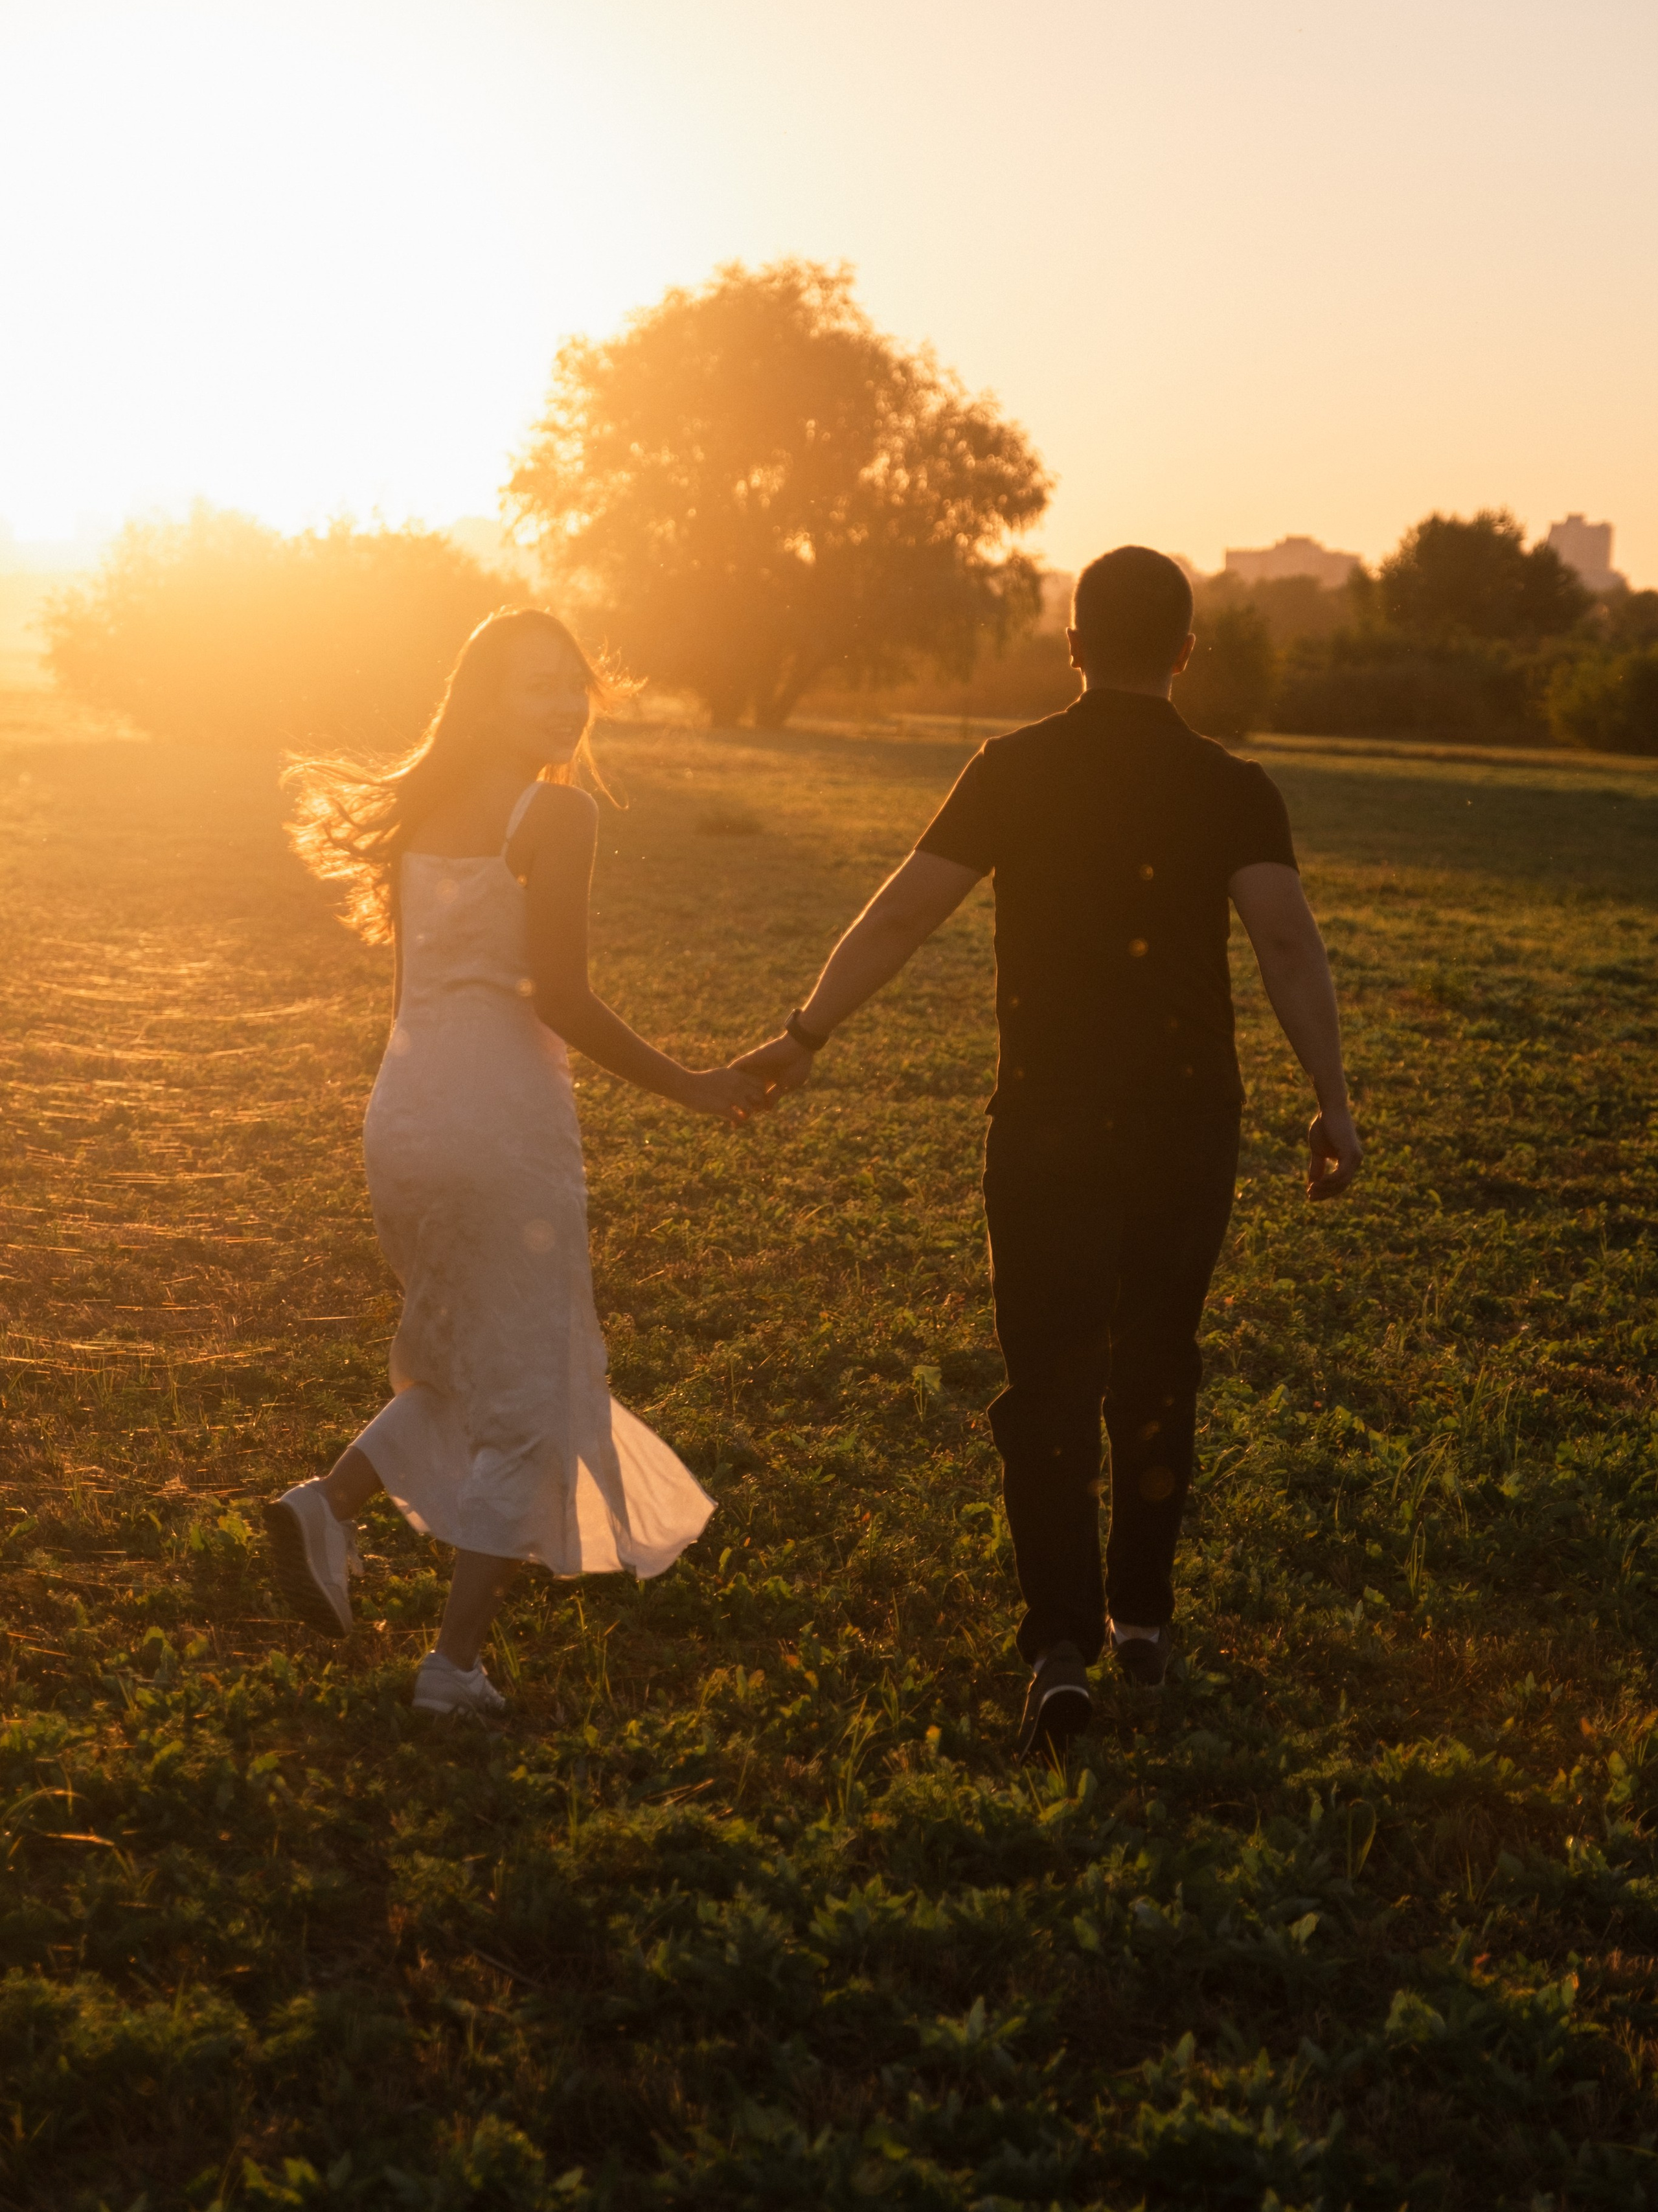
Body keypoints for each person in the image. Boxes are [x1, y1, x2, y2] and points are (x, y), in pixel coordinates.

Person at [734, 546, 1361, 1761]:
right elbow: (1287, 944)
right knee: (1159, 1360)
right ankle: (1143, 1620)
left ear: (1072, 647)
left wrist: (807, 1033)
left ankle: (1060, 1643)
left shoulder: (1012, 768)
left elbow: (906, 911)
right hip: (1190, 1120)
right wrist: (1333, 1101)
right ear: (1186, 652)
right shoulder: (1234, 784)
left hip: (1048, 1119)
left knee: (1050, 1378)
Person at [269, 608, 760, 1717]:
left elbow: (412, 997)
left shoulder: (422, 810)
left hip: (405, 1117)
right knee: (528, 1392)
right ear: (482, 698)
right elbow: (563, 998)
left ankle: (327, 1506)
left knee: (457, 1358)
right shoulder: (559, 811)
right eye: (535, 685)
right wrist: (696, 1084)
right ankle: (452, 1670)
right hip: (497, 1129)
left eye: (571, 683)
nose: (562, 704)